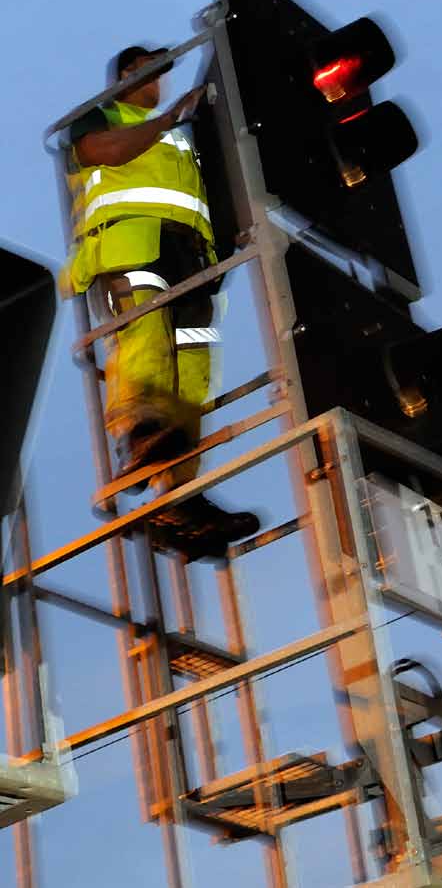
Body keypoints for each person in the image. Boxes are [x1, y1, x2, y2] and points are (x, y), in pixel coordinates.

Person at [62, 44, 259, 559]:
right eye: (151, 70)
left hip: (188, 256)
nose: (160, 82)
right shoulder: (101, 114)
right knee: (144, 338)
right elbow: (103, 151)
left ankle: (179, 494)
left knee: (192, 367)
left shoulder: (177, 136)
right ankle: (141, 432)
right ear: (129, 71)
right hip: (130, 244)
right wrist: (171, 118)